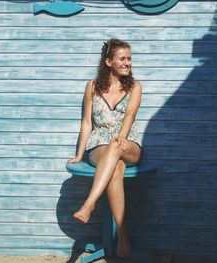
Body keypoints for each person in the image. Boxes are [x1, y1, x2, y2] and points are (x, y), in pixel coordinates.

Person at [67, 38, 143, 257]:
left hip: (128, 143)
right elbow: (87, 122)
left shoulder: (135, 87)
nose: (128, 63)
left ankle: (89, 204)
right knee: (116, 169)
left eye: (129, 58)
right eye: (122, 58)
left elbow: (129, 115)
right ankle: (123, 239)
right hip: (99, 144)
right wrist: (80, 154)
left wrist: (121, 137)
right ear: (109, 62)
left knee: (116, 148)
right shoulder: (92, 86)